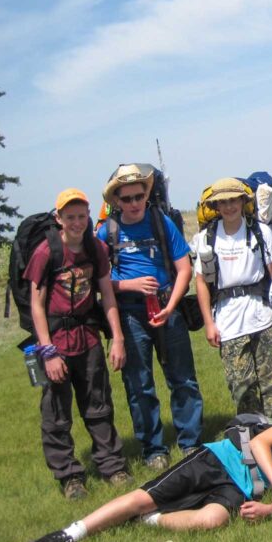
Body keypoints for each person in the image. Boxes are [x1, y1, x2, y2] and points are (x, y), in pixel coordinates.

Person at [28, 414, 272, 542]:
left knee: (213, 520)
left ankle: (146, 521)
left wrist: (270, 507)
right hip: (219, 459)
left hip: (239, 490)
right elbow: (259, 444)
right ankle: (70, 534)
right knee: (144, 497)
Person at [24, 188, 133, 499]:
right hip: (56, 342)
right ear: (58, 218)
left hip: (88, 338)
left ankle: (112, 467)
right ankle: (70, 477)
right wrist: (47, 352)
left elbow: (107, 294)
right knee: (56, 413)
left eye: (81, 216)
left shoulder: (95, 248)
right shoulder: (46, 252)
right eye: (69, 217)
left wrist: (117, 338)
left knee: (99, 405)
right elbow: (36, 305)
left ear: (88, 216)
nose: (76, 222)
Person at [97, 165, 203, 470]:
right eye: (126, 198)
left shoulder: (162, 222)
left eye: (138, 196)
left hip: (167, 308)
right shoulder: (107, 231)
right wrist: (130, 285)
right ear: (116, 200)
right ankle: (153, 449)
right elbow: (100, 282)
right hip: (130, 312)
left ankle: (191, 442)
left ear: (147, 195)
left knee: (183, 378)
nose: (133, 203)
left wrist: (171, 304)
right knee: (140, 384)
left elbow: (185, 269)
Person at [193, 178, 272, 418]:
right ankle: (251, 436)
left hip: (263, 314)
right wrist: (209, 324)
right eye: (222, 202)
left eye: (233, 200)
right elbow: (201, 282)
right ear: (216, 206)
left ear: (243, 201)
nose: (229, 206)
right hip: (228, 320)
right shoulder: (207, 238)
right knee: (242, 385)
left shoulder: (260, 231)